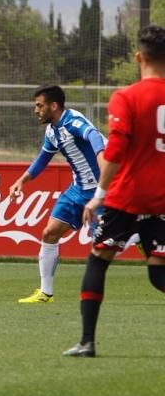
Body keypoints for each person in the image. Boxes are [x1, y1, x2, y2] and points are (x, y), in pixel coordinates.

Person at [64, 25, 165, 357]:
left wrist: (99, 194)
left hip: (128, 196)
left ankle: (87, 342)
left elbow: (116, 150)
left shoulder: (127, 97)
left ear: (139, 57)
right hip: (162, 199)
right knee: (157, 270)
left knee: (99, 259)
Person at [8, 85, 106, 303]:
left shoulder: (72, 121)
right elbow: (43, 159)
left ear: (53, 106)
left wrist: (102, 158)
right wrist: (21, 181)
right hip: (78, 189)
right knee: (50, 233)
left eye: (39, 105)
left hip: (102, 190)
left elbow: (94, 135)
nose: (36, 110)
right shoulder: (52, 130)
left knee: (103, 245)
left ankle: (137, 233)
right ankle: (45, 293)